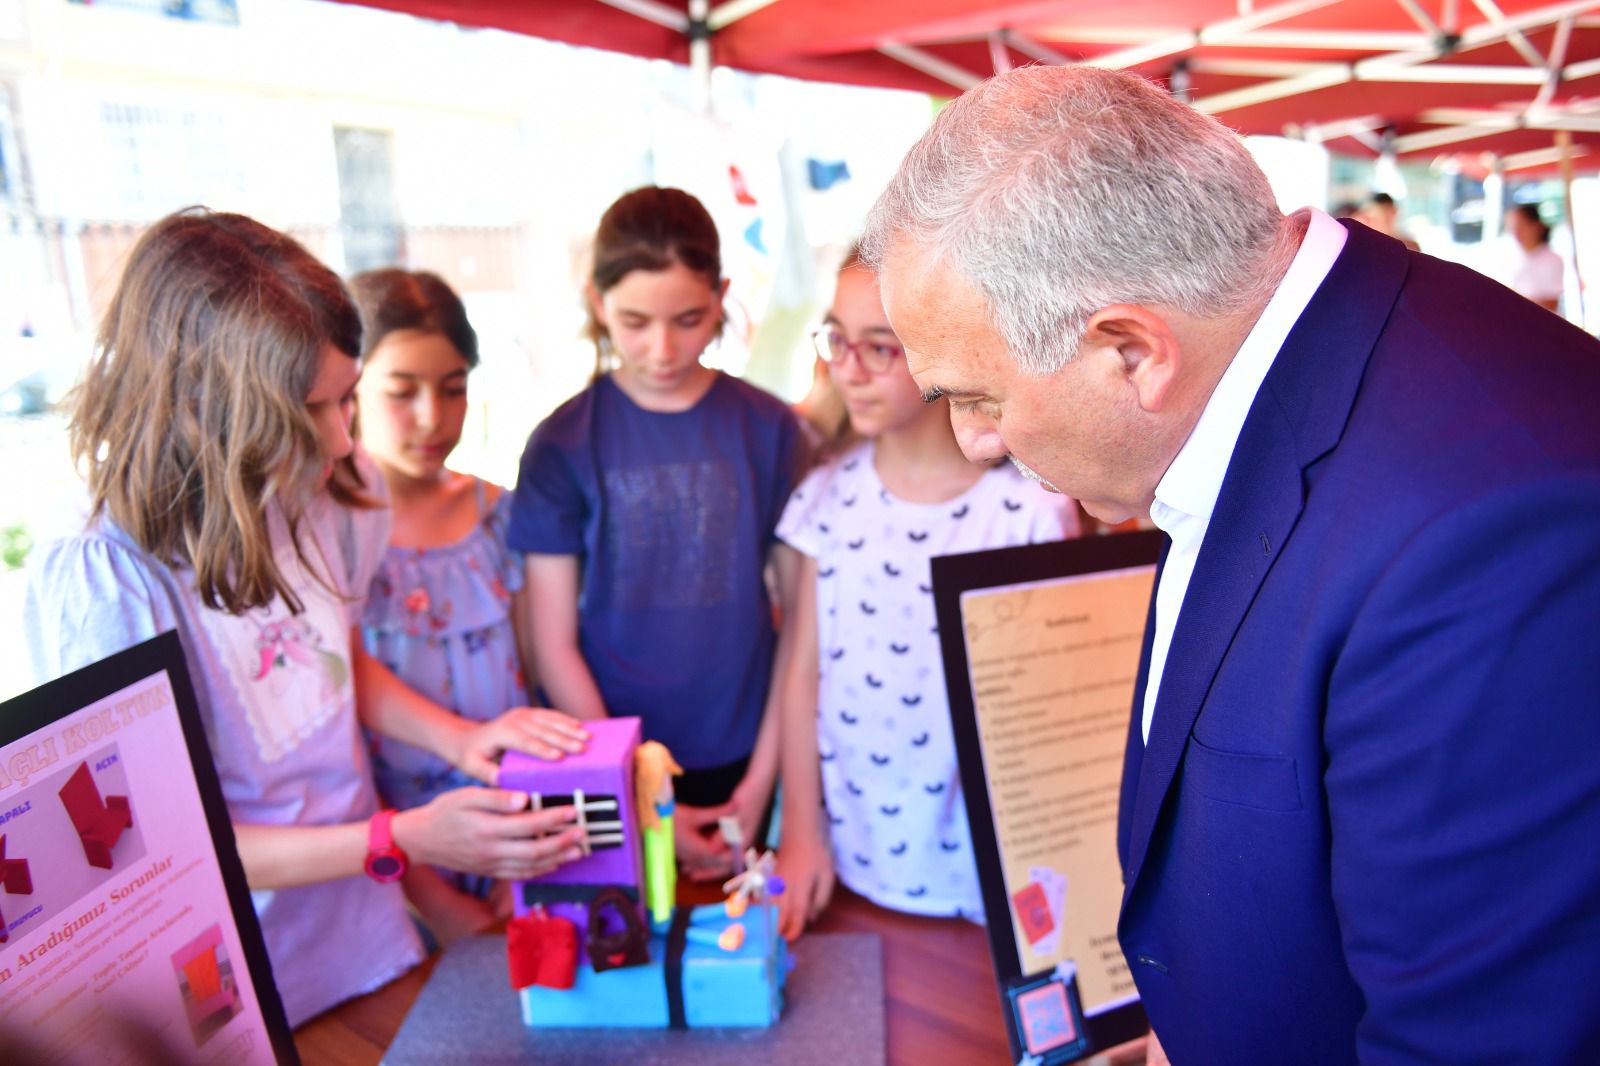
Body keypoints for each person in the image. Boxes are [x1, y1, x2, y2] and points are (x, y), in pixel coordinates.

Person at [862, 66, 1600, 1063]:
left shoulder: (1488, 541)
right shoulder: (1279, 378)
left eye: (978, 396)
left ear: (1132, 351)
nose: (974, 440)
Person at [23, 209, 590, 1026]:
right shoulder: (104, 578)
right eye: (307, 410)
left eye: (348, 399)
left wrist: (457, 739)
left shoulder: (331, 491)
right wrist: (400, 839)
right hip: (234, 986)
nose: (343, 439)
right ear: (205, 406)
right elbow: (160, 848)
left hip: (368, 939)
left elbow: (328, 662)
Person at [773, 249, 1079, 938]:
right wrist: (800, 831)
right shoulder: (825, 498)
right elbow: (801, 673)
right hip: (846, 865)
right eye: (837, 339)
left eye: (880, 347)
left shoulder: (1028, 515)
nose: (849, 369)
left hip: (988, 880)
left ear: (948, 350)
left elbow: (1048, 712)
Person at [509, 187, 804, 881]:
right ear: (596, 301)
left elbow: (799, 624)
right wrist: (636, 784)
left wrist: (764, 778)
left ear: (722, 297)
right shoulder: (561, 444)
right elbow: (553, 646)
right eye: (635, 322)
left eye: (689, 320)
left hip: (743, 754)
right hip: (606, 750)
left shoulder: (769, 429)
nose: (663, 349)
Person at [348, 268, 550, 937]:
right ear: (349, 387)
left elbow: (535, 686)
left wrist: (524, 858)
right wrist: (432, 900)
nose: (433, 417)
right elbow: (337, 744)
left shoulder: (497, 514)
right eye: (402, 392)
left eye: (454, 388)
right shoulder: (329, 533)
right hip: (395, 869)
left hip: (517, 844)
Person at [1503, 202, 1564, 313]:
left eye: (1521, 226)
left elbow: (1551, 303)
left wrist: (1513, 298)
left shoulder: (1552, 260)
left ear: (1536, 226)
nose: (1516, 233)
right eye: (1513, 227)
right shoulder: (1513, 258)